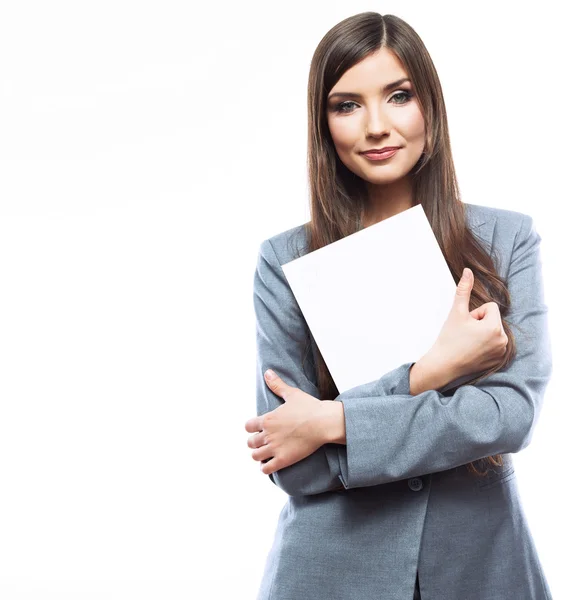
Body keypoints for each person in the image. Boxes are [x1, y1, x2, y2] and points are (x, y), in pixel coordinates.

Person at [245, 12, 553, 600]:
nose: (377, 126)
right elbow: (297, 466)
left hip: (482, 570)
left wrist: (334, 421)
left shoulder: (508, 240)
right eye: (347, 105)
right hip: (330, 575)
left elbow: (510, 416)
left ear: (430, 109)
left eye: (399, 96)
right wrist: (428, 375)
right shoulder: (283, 260)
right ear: (323, 125)